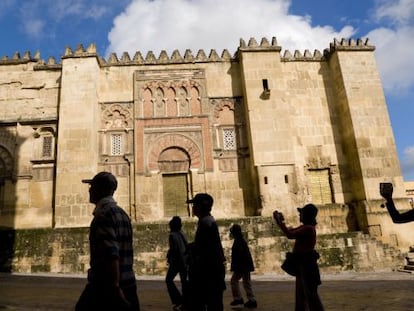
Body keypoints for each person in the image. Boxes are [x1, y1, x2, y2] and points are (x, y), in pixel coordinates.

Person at [76, 171, 140, 310]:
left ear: (100, 189)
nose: (89, 190)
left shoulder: (103, 216)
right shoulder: (122, 214)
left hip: (106, 288)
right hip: (129, 283)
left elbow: (111, 254)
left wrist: (115, 288)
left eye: (92, 186)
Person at [273, 204, 324, 311]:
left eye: (301, 213)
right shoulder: (306, 227)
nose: (299, 215)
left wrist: (280, 222)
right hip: (303, 265)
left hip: (307, 265)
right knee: (302, 293)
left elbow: (290, 235)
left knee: (310, 294)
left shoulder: (308, 229)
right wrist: (281, 222)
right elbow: (290, 232)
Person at [186, 193, 226, 311]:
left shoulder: (206, 223)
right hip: (212, 272)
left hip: (209, 273)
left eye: (194, 205)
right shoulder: (207, 221)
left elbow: (207, 250)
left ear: (200, 207)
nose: (192, 208)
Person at [229, 224, 257, 309]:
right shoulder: (241, 240)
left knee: (234, 281)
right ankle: (251, 300)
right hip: (245, 265)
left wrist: (235, 267)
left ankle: (238, 298)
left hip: (242, 266)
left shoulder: (238, 241)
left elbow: (238, 256)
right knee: (246, 282)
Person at [166, 216, 189, 311]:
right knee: (184, 283)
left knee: (168, 280)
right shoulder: (182, 234)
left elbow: (174, 250)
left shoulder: (172, 235)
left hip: (178, 262)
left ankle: (178, 300)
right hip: (185, 261)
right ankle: (185, 302)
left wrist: (170, 258)